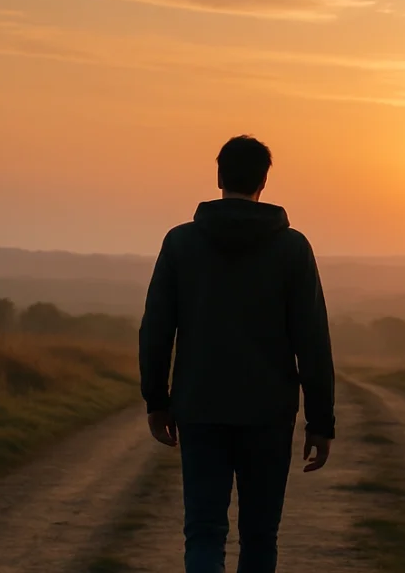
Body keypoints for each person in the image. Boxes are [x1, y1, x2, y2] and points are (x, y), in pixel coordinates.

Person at [138, 135, 336, 573]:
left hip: (199, 406)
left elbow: (156, 329)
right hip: (269, 412)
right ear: (264, 181)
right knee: (260, 535)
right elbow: (313, 342)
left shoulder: (181, 243)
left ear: (219, 177)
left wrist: (156, 399)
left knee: (204, 530)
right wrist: (321, 422)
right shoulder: (292, 248)